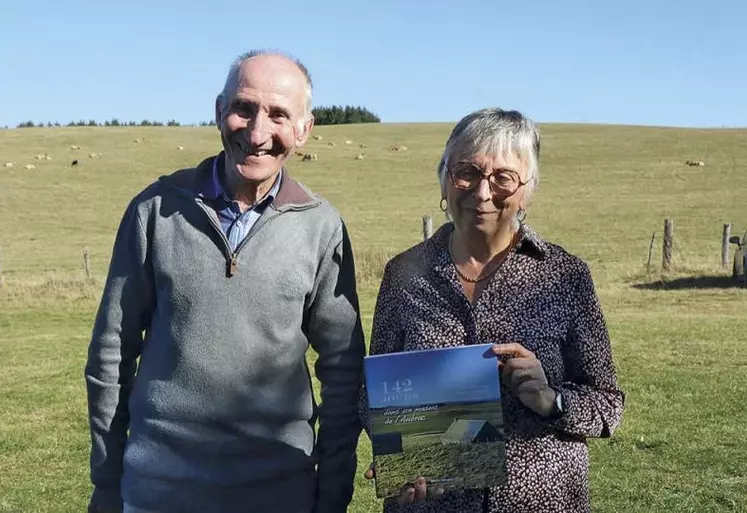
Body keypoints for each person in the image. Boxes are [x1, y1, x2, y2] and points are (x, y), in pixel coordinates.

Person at [85, 50, 365, 513]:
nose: (257, 133)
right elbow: (110, 356)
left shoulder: (321, 228)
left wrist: (333, 494)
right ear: (219, 111)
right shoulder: (155, 211)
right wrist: (107, 483)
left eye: (278, 115)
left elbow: (344, 369)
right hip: (159, 493)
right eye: (244, 108)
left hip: (279, 495)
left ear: (304, 128)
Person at [362, 108, 625, 513]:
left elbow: (607, 404)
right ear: (445, 180)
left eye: (503, 177)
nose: (482, 193)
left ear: (528, 189)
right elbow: (372, 393)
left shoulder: (565, 275)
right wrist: (400, 447)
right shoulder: (403, 275)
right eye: (466, 172)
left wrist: (549, 399)